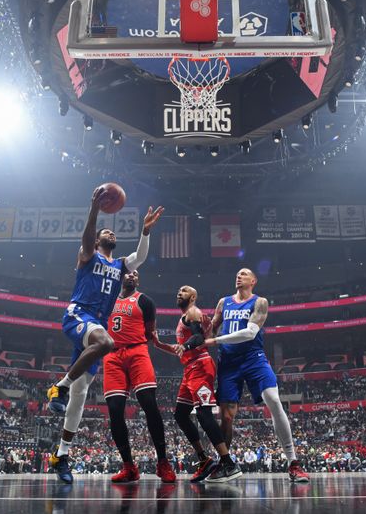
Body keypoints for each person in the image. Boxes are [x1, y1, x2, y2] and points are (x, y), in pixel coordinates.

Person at [46, 186, 163, 484]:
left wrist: (145, 232)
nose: (110, 233)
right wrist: (95, 209)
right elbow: (87, 237)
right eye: (104, 232)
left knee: (81, 395)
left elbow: (140, 257)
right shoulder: (88, 254)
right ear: (98, 239)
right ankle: (58, 386)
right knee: (107, 342)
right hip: (79, 315)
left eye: (112, 231)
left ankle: (61, 456)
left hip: (95, 328)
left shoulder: (120, 264)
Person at [204, 268, 309, 482]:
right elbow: (211, 329)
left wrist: (216, 341)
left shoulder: (260, 302)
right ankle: (226, 464)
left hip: (254, 357)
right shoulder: (224, 302)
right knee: (225, 416)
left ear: (253, 280)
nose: (238, 276)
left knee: (273, 399)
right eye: (237, 274)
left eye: (244, 274)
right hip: (228, 363)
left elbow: (250, 333)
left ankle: (293, 462)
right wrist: (198, 334)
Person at [153, 285, 242, 483]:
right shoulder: (185, 317)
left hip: (200, 366)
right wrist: (159, 345)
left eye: (184, 291)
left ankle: (228, 462)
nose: (179, 292)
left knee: (203, 413)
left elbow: (198, 337)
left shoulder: (193, 312)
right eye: (178, 290)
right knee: (180, 414)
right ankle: (204, 459)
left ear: (192, 297)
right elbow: (182, 349)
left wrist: (185, 345)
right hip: (190, 368)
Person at [101, 270, 175, 483]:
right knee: (115, 410)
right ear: (120, 276)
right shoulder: (107, 298)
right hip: (112, 354)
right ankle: (128, 466)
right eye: (128, 272)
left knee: (149, 403)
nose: (132, 275)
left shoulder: (145, 301)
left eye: (136, 273)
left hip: (137, 351)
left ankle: (163, 462)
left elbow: (150, 332)